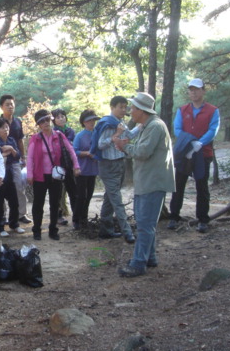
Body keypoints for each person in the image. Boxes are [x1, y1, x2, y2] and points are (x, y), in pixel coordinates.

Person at [113, 93, 175, 277]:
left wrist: (124, 147)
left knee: (145, 225)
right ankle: (150, 257)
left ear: (142, 110)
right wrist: (127, 144)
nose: (130, 111)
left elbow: (143, 151)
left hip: (152, 182)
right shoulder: (149, 126)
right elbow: (143, 149)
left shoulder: (155, 126)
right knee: (145, 222)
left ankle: (138, 263)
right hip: (146, 181)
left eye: (133, 108)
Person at [168, 79, 220, 233]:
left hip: (203, 153)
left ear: (203, 91)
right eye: (191, 90)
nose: (194, 92)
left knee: (202, 186)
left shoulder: (212, 110)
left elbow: (213, 129)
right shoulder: (182, 110)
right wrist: (189, 142)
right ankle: (174, 217)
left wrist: (200, 143)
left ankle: (203, 219)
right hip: (185, 153)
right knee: (178, 185)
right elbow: (177, 128)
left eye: (197, 89)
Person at [90, 95, 138, 244]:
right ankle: (127, 232)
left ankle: (106, 230)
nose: (123, 110)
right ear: (112, 107)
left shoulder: (121, 122)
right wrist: (116, 135)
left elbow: (130, 135)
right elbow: (100, 144)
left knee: (109, 198)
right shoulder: (107, 123)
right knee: (116, 199)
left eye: (125, 107)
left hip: (119, 163)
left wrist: (142, 124)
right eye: (120, 107)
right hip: (108, 165)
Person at [26, 109, 80, 241]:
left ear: (51, 120)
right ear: (38, 125)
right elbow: (30, 158)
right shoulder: (35, 139)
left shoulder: (59, 135)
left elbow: (71, 150)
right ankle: (37, 230)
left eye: (47, 120)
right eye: (41, 121)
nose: (45, 123)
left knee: (55, 203)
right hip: (39, 176)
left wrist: (76, 166)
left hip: (56, 175)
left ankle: (53, 230)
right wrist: (29, 174)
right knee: (38, 204)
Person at [0, 94, 31, 224]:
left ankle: (21, 214)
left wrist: (23, 156)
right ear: (1, 107)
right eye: (7, 104)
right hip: (3, 160)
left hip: (16, 159)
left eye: (12, 104)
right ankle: (3, 216)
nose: (10, 106)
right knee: (2, 188)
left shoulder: (18, 121)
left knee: (19, 186)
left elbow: (20, 140)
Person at [0, 117, 23, 236]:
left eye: (7, 127)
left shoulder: (11, 140)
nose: (6, 130)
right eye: (3, 127)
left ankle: (14, 224)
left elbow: (17, 156)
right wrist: (6, 152)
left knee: (14, 200)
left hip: (9, 172)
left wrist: (11, 150)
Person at [73, 109, 100, 230]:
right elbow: (74, 151)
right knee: (81, 196)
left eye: (93, 120)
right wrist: (87, 153)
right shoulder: (80, 135)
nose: (92, 123)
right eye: (89, 121)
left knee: (89, 195)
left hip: (93, 169)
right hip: (82, 170)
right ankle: (76, 219)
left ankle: (84, 219)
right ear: (84, 122)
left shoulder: (97, 133)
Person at [52, 108, 77, 227]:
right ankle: (59, 215)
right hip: (58, 166)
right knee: (58, 192)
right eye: (58, 117)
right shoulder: (52, 133)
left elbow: (73, 148)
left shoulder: (70, 131)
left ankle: (76, 216)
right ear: (54, 120)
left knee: (73, 191)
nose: (61, 119)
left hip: (70, 165)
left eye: (62, 116)